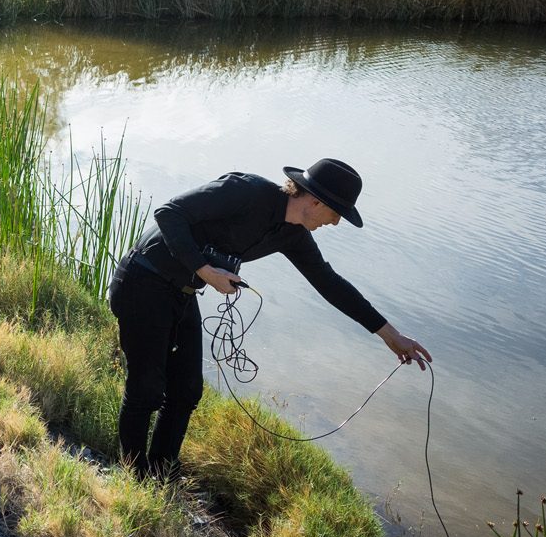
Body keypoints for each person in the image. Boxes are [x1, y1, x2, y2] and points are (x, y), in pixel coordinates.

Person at [108, 158, 432, 479]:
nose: (334, 223)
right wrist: (206, 271)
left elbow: (330, 284)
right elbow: (169, 213)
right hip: (143, 281)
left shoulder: (292, 235)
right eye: (336, 215)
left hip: (182, 293)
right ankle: (135, 478)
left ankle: (163, 472)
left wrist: (391, 336)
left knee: (187, 390)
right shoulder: (247, 191)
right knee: (147, 389)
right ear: (316, 202)